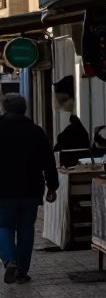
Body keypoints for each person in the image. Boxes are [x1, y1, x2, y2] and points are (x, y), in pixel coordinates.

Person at [0, 94, 59, 283]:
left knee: (3, 225)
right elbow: (48, 161)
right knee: (26, 228)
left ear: (4, 108)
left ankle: (10, 260)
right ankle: (22, 271)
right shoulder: (36, 131)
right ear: (24, 109)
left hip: (3, 190)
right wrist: (52, 186)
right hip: (31, 189)